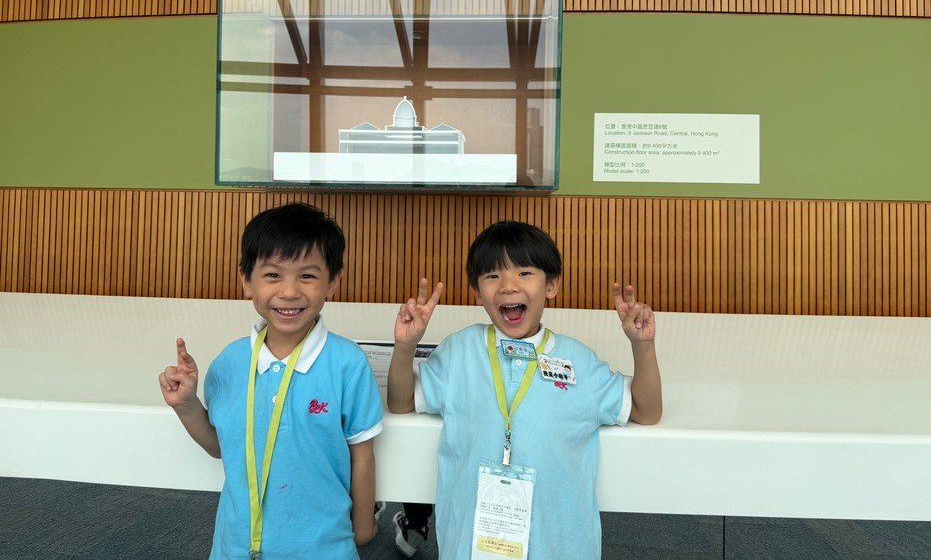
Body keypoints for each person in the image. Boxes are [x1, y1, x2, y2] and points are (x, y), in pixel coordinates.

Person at [387, 221, 662, 559]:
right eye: (492, 276)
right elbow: (401, 402)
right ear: (477, 293)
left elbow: (646, 411)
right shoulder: (459, 352)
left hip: (559, 550)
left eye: (524, 273)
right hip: (470, 548)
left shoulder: (578, 362)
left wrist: (642, 346)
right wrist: (405, 347)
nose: (508, 286)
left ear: (552, 284)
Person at [159, 203, 383, 558]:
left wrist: (363, 525)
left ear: (333, 282)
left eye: (307, 276)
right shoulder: (230, 363)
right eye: (273, 275)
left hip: (324, 549)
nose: (290, 292)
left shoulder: (347, 364)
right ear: (247, 281)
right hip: (237, 547)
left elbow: (362, 454)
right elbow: (221, 446)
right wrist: (186, 406)